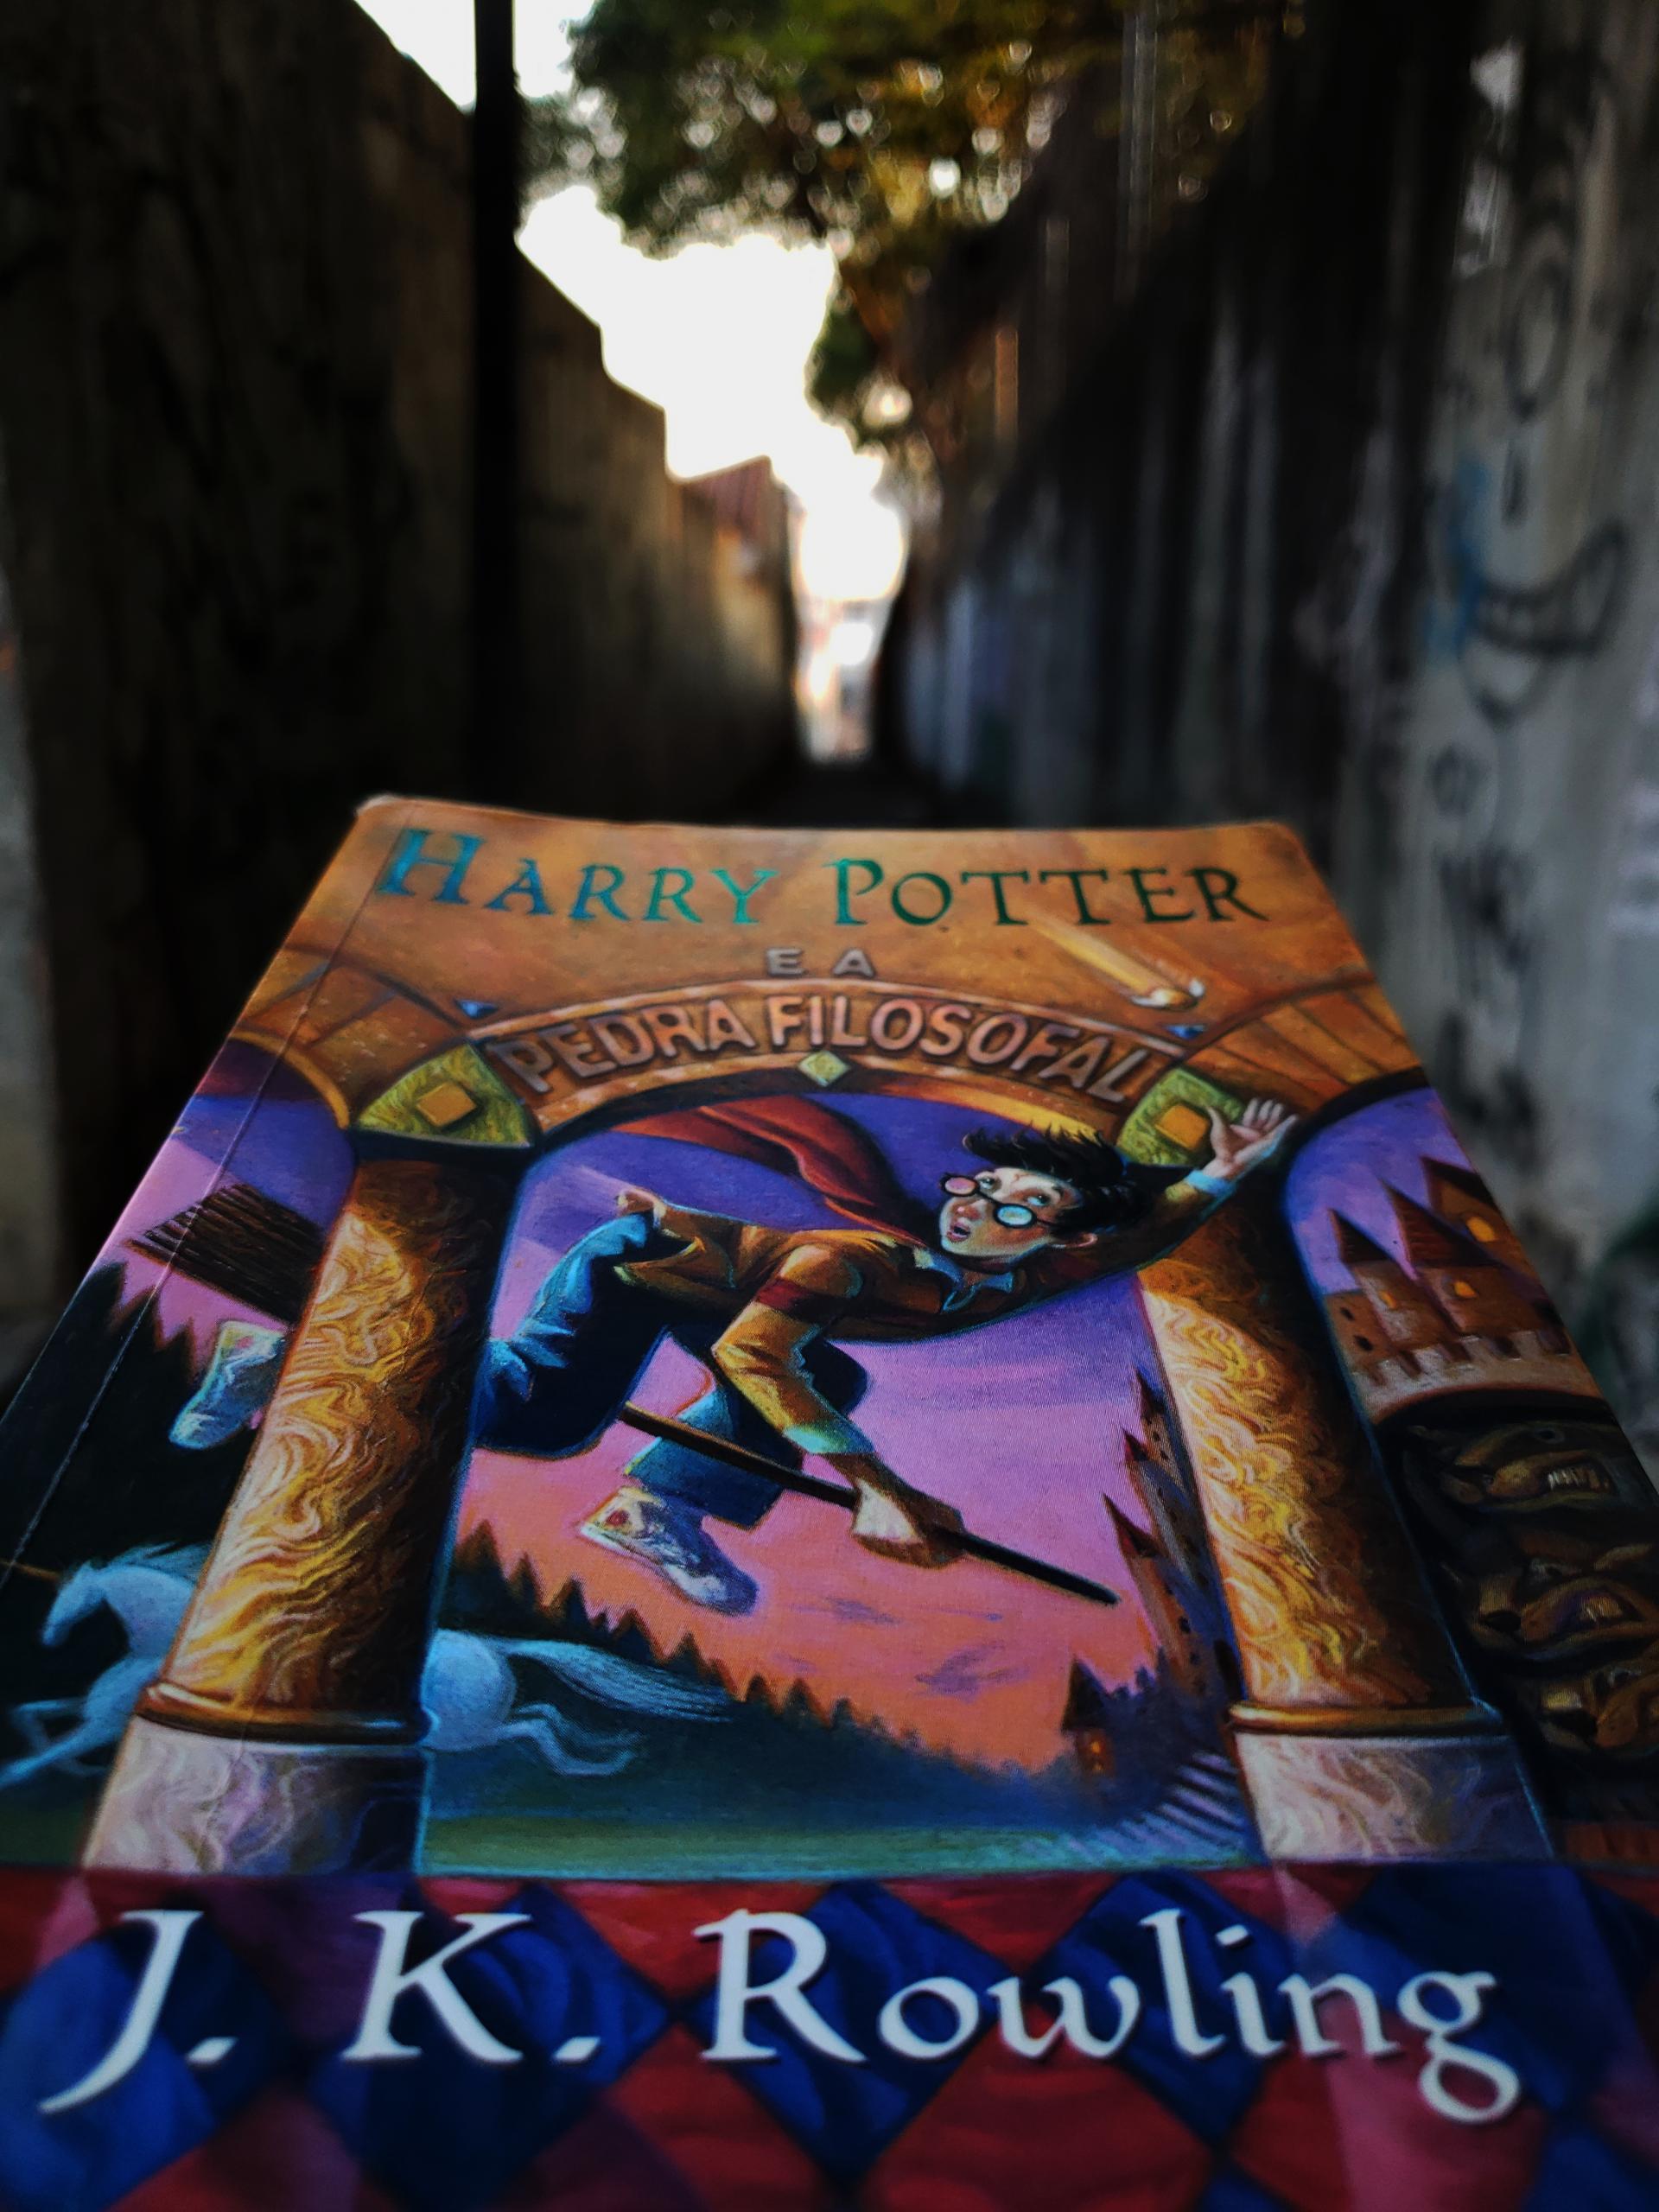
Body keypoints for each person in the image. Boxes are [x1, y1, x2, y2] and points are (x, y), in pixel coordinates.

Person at [469, 1096, 1296, 1614]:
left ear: (1064, 1237)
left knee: (828, 1374)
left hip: (713, 1285)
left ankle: (655, 1509)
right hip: (637, 1270)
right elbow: (754, 1354)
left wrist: (1221, 1172)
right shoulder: (853, 1262)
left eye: (1019, 1208)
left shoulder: (1026, 1276)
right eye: (984, 1188)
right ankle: (445, 1372)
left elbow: (1135, 1238)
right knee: (548, 1416)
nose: (977, 1211)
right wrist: (876, 1485)